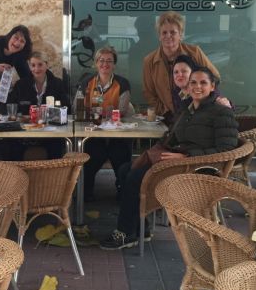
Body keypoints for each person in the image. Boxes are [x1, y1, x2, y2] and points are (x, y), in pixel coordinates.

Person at [100, 67, 238, 250]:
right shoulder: (187, 109)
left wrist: (187, 156)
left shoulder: (221, 112)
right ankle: (140, 229)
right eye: (193, 82)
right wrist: (157, 150)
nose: (197, 87)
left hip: (196, 169)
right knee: (125, 169)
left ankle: (125, 232)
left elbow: (226, 150)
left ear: (212, 86)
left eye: (203, 83)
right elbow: (172, 136)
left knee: (135, 177)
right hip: (176, 160)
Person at [75, 46, 134, 202]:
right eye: (101, 60)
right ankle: (86, 194)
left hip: (117, 134)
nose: (105, 64)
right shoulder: (86, 82)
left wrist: (96, 112)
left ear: (114, 64)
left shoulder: (123, 83)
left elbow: (121, 110)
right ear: (96, 63)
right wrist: (106, 111)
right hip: (93, 133)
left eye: (109, 61)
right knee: (92, 156)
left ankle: (123, 193)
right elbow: (77, 108)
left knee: (120, 156)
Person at [142, 11, 220, 118]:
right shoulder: (149, 61)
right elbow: (148, 93)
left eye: (173, 32)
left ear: (181, 35)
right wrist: (165, 111)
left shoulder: (195, 52)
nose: (168, 36)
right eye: (164, 32)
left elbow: (215, 78)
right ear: (159, 36)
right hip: (166, 117)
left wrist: (201, 104)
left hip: (197, 115)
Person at [3, 51, 70, 159]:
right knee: (11, 148)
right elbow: (8, 107)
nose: (36, 69)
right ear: (29, 66)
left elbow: (67, 108)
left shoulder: (57, 83)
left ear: (46, 65)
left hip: (51, 133)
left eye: (40, 64)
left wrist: (54, 114)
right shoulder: (21, 84)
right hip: (24, 133)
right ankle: (17, 170)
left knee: (57, 147)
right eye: (33, 65)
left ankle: (53, 171)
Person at [167, 54, 231, 125]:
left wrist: (226, 104)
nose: (179, 75)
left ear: (193, 73)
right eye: (176, 72)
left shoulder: (206, 91)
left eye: (184, 71)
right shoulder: (176, 93)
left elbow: (226, 107)